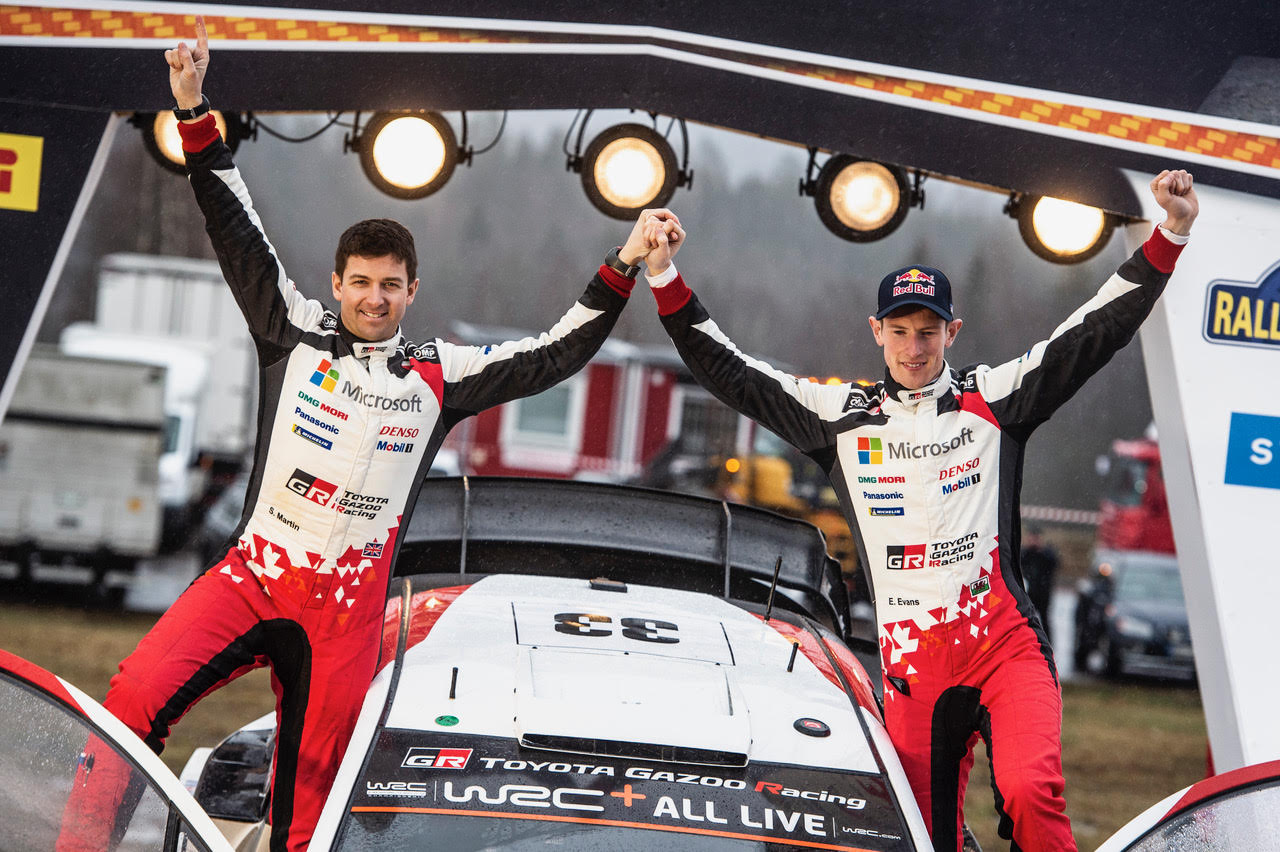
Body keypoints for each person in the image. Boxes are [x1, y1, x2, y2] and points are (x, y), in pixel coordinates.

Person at [58, 18, 674, 852]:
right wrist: (195, 113)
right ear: (337, 283)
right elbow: (236, 228)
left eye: (390, 285)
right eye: (360, 282)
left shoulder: (439, 373)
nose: (373, 298)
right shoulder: (293, 330)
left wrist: (625, 261)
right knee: (131, 699)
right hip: (253, 579)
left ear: (413, 290)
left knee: (312, 799)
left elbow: (553, 353)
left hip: (345, 619)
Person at [622, 171, 1198, 851]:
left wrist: (1170, 234)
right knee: (919, 838)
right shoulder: (841, 417)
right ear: (877, 331)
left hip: (1004, 649)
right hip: (914, 672)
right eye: (900, 331)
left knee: (1031, 795)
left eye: (929, 332)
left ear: (953, 332)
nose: (915, 348)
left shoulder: (994, 398)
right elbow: (733, 373)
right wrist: (664, 276)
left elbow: (1092, 332)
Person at [1020, 525, 1059, 644]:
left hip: (1043, 593)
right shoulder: (1025, 553)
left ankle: (1048, 643)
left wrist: (1042, 550)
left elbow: (1054, 563)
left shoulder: (1046, 554)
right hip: (1029, 592)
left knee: (1044, 619)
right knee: (1026, 619)